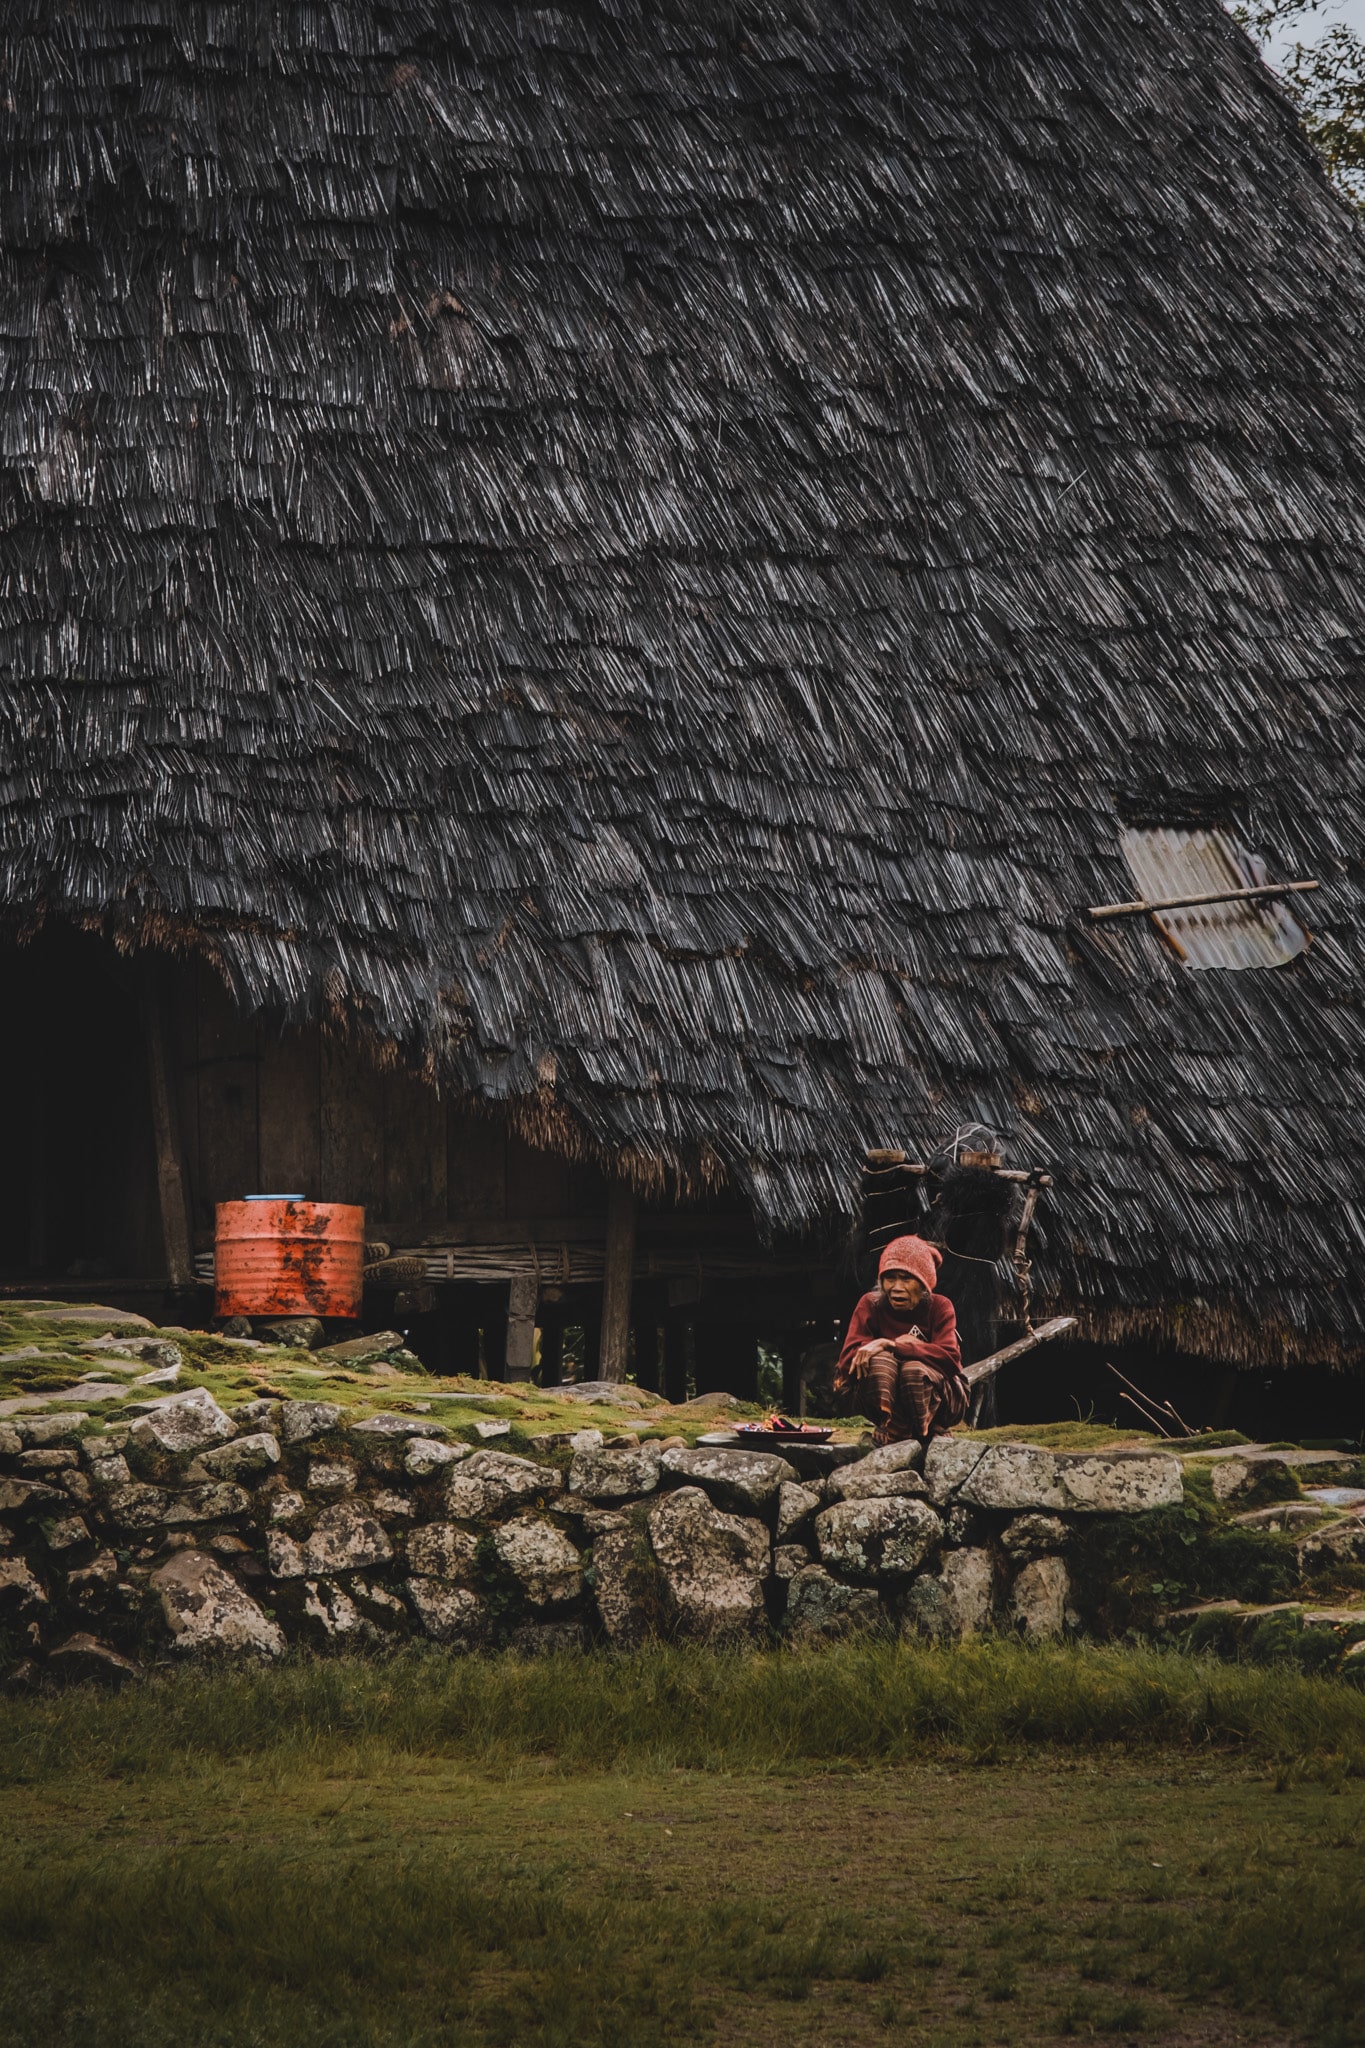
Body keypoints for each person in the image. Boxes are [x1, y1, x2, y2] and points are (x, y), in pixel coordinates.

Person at [835, 1235, 969, 1445]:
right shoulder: (870, 1304)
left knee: (913, 1370)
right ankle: (890, 1424)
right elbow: (846, 1364)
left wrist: (890, 1344)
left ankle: (928, 1427)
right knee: (880, 1363)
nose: (897, 1287)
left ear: (924, 1284)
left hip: (943, 1399)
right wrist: (890, 1352)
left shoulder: (940, 1306)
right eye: (890, 1278)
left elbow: (951, 1359)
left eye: (906, 1279)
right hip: (885, 1398)